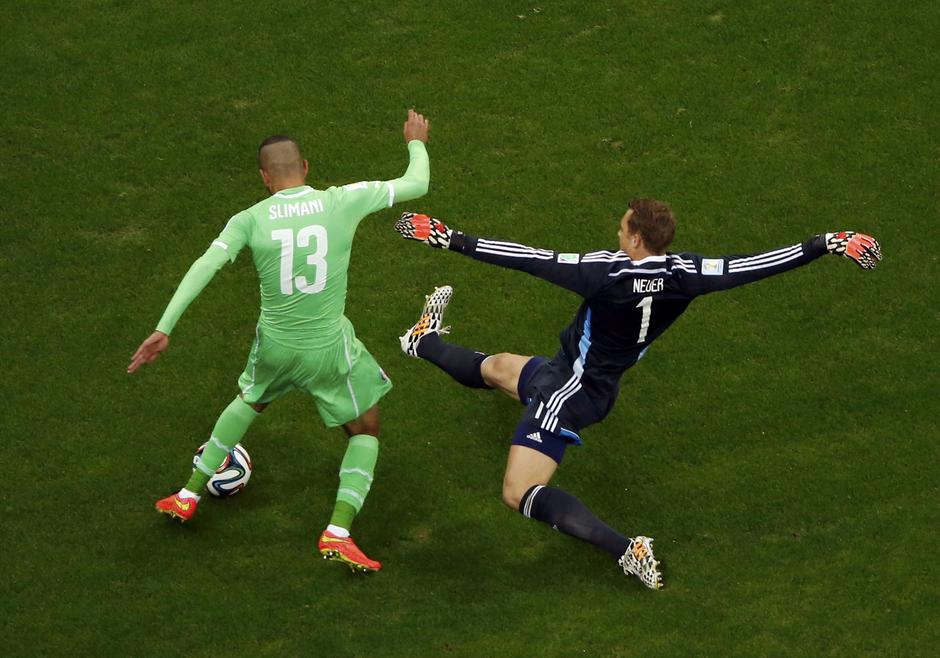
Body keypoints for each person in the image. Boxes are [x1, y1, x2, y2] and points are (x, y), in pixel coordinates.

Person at [393, 201, 881, 589]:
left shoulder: (607, 274)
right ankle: (423, 341)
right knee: (499, 367)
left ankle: (627, 550)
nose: (618, 230)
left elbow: (530, 258)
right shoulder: (687, 274)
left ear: (636, 238)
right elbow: (753, 265)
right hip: (591, 380)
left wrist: (447, 237)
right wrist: (825, 243)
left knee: (517, 491)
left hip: (569, 392)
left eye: (624, 226)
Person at [128, 109, 431, 573]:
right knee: (365, 429)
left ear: (265, 178)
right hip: (329, 349)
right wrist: (415, 140)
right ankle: (338, 532)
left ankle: (188, 493)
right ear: (305, 167)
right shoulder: (343, 200)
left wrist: (164, 327)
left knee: (249, 401)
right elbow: (417, 183)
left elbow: (204, 266)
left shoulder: (248, 219)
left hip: (274, 346)